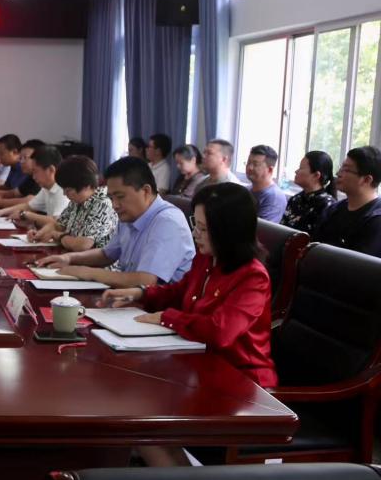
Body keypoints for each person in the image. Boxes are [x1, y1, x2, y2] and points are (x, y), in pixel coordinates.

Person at [99, 183, 277, 388]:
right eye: (195, 224)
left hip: (243, 382)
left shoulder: (253, 277)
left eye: (203, 229)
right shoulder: (206, 258)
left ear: (228, 232)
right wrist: (140, 294)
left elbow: (220, 332)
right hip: (199, 363)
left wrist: (166, 317)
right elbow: (179, 291)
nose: (194, 234)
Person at [35, 157, 195, 288]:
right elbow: (107, 254)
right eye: (111, 198)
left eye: (120, 197)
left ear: (145, 191)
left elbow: (146, 281)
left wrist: (87, 272)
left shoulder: (167, 222)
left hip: (162, 309)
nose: (115, 205)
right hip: (129, 299)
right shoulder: (130, 215)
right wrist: (69, 258)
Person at [28, 156, 117, 251]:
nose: (64, 194)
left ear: (86, 186)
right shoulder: (76, 202)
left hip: (93, 260)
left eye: (68, 190)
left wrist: (58, 236)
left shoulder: (102, 204)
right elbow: (58, 225)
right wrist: (40, 234)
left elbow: (82, 245)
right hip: (71, 256)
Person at [313, 146, 381, 258]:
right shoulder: (332, 210)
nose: (338, 173)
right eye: (341, 168)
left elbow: (359, 265)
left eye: (346, 170)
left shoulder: (376, 221)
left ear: (366, 180)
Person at [0, 145, 68, 227]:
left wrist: (25, 215)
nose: (34, 177)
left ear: (51, 170)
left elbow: (57, 222)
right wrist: (0, 212)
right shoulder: (47, 188)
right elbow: (29, 206)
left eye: (36, 171)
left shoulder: (63, 190)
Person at [280, 150, 336, 234]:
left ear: (316, 175)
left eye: (301, 168)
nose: (296, 171)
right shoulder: (296, 199)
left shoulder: (327, 205)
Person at [0, 138, 43, 205]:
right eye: (21, 158)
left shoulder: (38, 176)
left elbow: (29, 201)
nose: (21, 161)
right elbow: (14, 193)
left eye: (1, 154)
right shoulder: (31, 176)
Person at [245, 144, 287, 223]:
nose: (250, 167)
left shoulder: (274, 197)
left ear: (270, 170)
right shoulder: (246, 190)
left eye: (255, 164)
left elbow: (261, 229)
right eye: (248, 163)